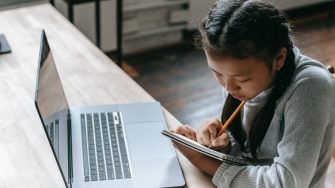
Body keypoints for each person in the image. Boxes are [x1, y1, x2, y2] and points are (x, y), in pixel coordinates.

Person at [172, 0, 335, 187]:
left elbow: (286, 182)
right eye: (217, 73)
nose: (228, 88)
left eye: (242, 80)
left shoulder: (310, 87)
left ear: (279, 59)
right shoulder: (237, 77)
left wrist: (203, 161)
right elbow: (248, 149)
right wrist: (224, 144)